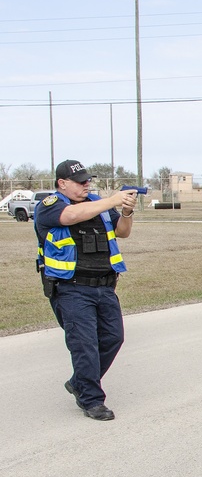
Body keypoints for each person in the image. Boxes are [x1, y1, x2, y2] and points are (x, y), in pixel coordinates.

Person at [34, 160, 140, 421]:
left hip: (105, 286)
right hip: (72, 289)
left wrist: (126, 212)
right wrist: (113, 199)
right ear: (62, 184)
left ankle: (79, 382)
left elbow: (122, 233)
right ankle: (91, 400)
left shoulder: (98, 205)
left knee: (113, 338)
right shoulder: (49, 206)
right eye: (80, 181)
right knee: (85, 346)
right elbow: (71, 216)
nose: (86, 185)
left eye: (87, 180)